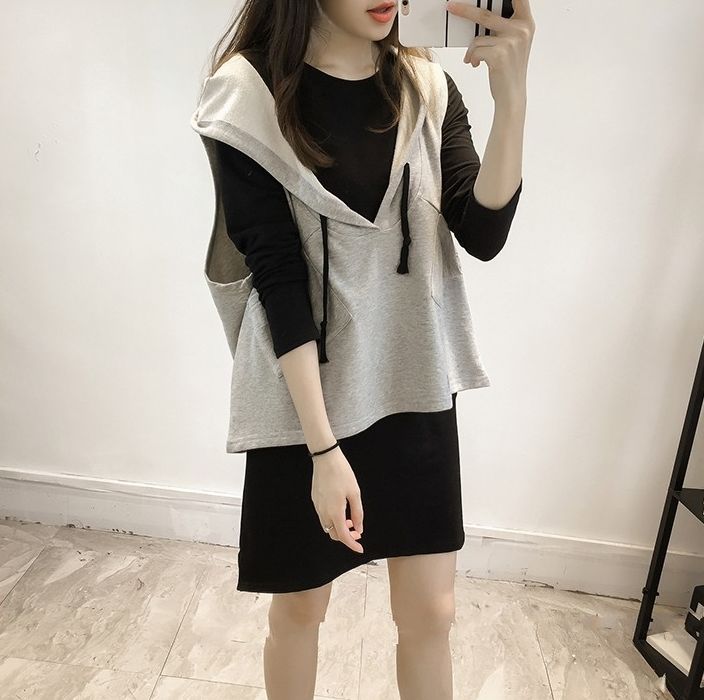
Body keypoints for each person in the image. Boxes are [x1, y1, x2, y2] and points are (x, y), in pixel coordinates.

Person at [191, 1, 534, 697]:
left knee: (432, 614)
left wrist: (513, 100)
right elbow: (278, 279)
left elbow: (483, 233)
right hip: (304, 405)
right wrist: (322, 452)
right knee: (300, 610)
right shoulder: (247, 95)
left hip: (412, 383)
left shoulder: (425, 87)